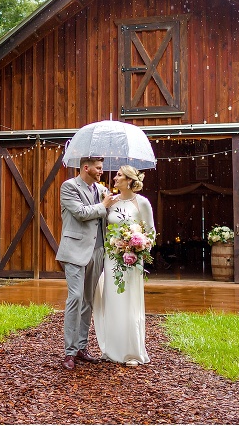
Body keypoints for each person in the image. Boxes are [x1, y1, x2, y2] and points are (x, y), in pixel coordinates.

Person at [56, 156, 118, 370]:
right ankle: (69, 352)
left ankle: (82, 347)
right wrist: (103, 205)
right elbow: (81, 213)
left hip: (97, 251)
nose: (102, 171)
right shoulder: (69, 187)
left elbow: (104, 217)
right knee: (75, 297)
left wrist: (110, 207)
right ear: (86, 167)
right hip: (74, 251)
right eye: (99, 168)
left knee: (88, 300)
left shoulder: (100, 190)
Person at [93, 165, 154, 366]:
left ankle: (131, 352)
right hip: (111, 258)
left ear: (129, 180)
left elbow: (151, 233)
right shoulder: (111, 201)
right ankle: (112, 349)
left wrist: (137, 248)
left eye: (119, 175)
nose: (115, 178)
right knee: (112, 300)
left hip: (131, 260)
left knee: (129, 302)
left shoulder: (142, 203)